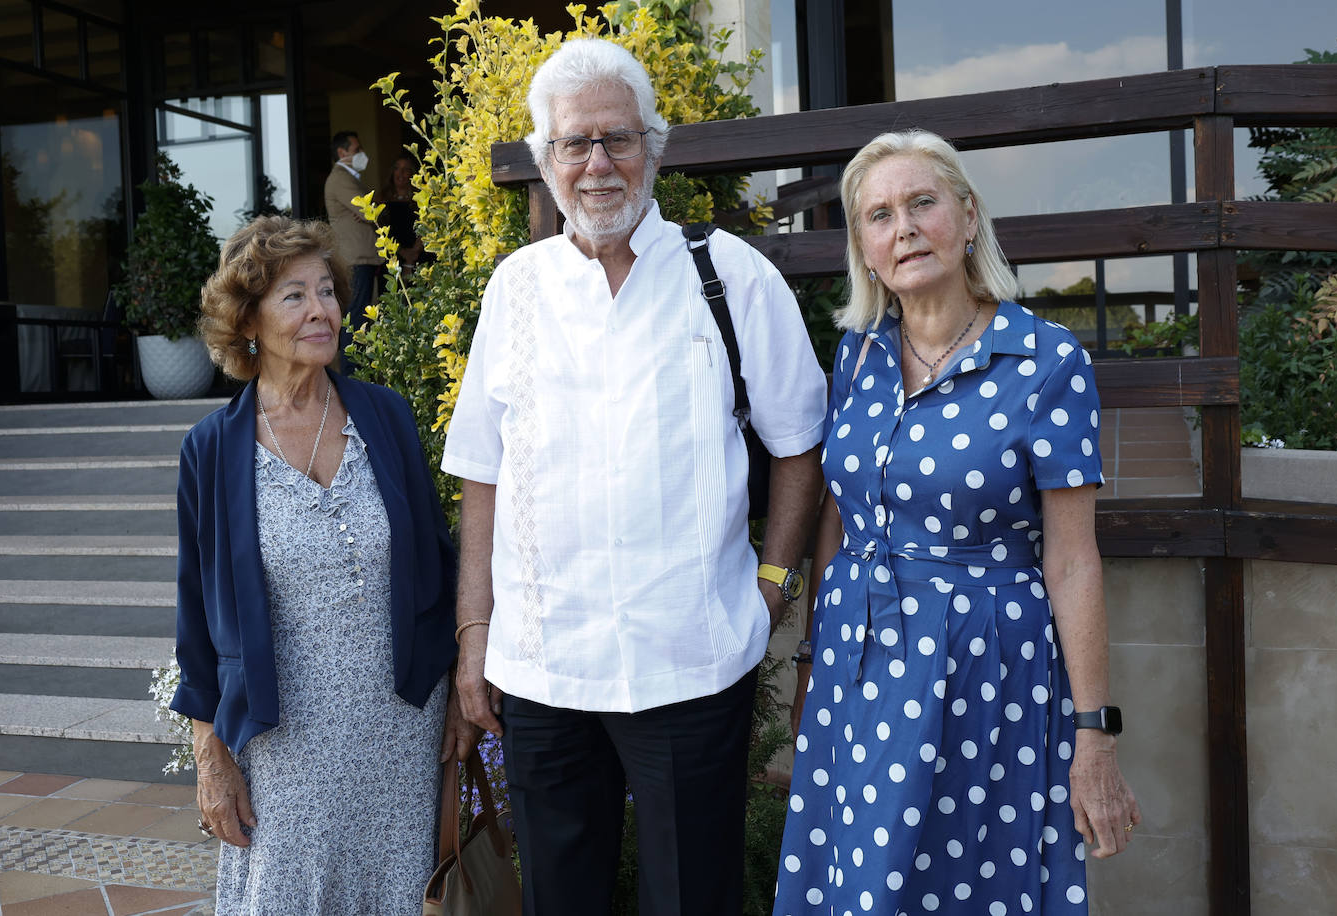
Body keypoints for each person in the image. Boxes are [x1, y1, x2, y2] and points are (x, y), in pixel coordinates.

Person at [441, 38, 827, 916]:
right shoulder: (515, 290)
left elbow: (801, 443)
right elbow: (481, 474)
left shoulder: (730, 276)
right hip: (544, 668)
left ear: (655, 147)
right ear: (545, 161)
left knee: (694, 900)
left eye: (617, 139)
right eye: (574, 144)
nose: (598, 164)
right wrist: (475, 635)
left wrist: (771, 586)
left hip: (690, 660)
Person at [774, 130, 1141, 915]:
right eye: (878, 215)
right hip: (856, 669)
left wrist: (1093, 733)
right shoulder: (857, 356)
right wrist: (811, 660)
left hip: (986, 678)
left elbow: (1074, 563)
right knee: (862, 886)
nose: (902, 228)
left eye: (922, 203)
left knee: (969, 886)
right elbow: (839, 520)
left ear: (968, 219)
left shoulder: (1045, 360)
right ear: (864, 250)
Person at [172, 215, 461, 915]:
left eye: (327, 291)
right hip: (285, 740)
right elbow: (195, 619)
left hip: (402, 728)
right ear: (248, 319)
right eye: (294, 295)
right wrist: (211, 755)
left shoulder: (385, 418)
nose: (321, 309)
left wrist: (460, 692)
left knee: (400, 894)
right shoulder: (211, 451)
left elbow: (437, 565)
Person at [323, 131, 382, 371]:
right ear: (342, 153)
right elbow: (368, 210)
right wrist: (371, 211)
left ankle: (356, 374)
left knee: (360, 319)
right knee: (355, 319)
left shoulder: (350, 177)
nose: (361, 154)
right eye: (356, 150)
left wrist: (369, 211)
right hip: (355, 259)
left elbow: (367, 211)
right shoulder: (340, 178)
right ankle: (351, 376)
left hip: (363, 257)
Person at [377, 152, 425, 267]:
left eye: (406, 169)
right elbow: (378, 228)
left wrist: (413, 254)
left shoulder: (420, 198)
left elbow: (426, 227)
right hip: (392, 257)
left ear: (412, 174)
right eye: (397, 168)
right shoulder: (381, 198)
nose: (401, 173)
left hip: (418, 257)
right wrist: (402, 252)